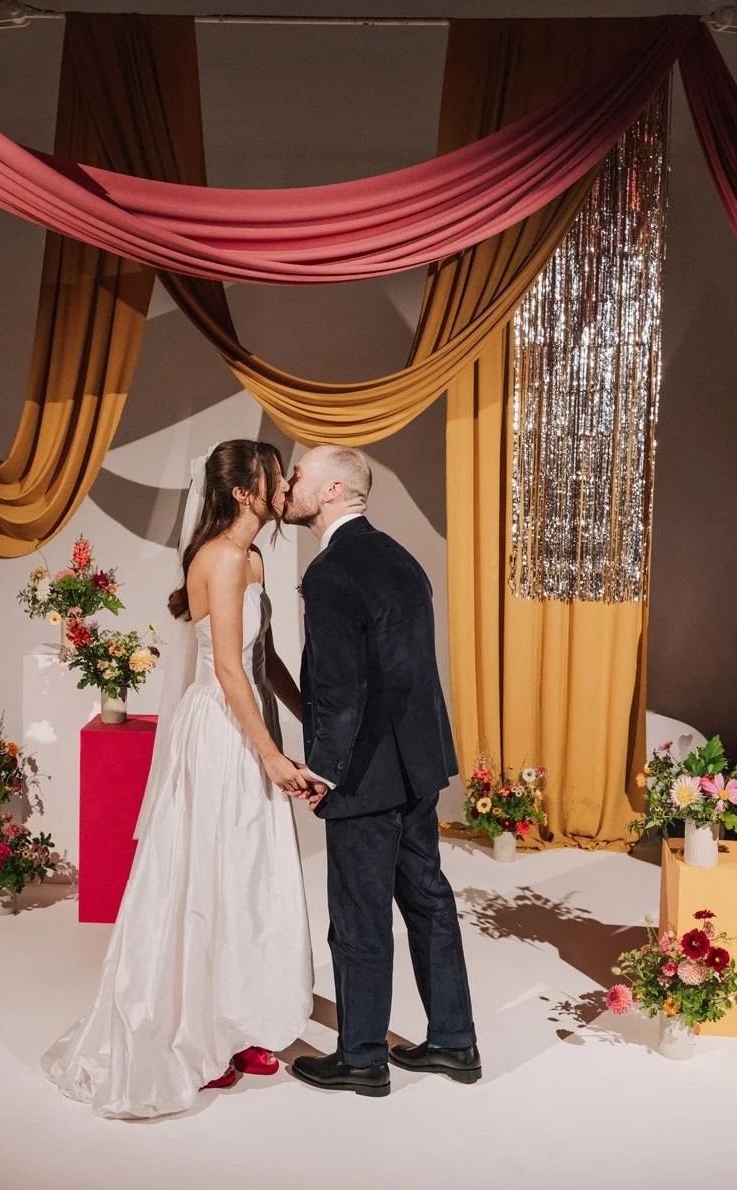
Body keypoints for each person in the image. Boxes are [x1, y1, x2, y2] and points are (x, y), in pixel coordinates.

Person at [42, 440, 313, 1118]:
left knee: (244, 878)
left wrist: (308, 719)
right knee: (208, 876)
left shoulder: (251, 559)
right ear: (247, 492)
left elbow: (263, 657)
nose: (285, 487)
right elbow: (226, 669)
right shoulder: (220, 558)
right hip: (223, 733)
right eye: (276, 478)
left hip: (246, 722)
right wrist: (272, 758)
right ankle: (193, 1034)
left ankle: (234, 1018)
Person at [283, 445, 479, 1098]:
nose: (288, 484)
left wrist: (323, 773)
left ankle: (362, 1057)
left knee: (358, 919)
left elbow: (342, 687)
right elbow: (406, 675)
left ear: (333, 489)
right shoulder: (396, 557)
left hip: (364, 778)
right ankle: (455, 1043)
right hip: (417, 766)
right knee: (428, 903)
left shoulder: (334, 572)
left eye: (299, 475)